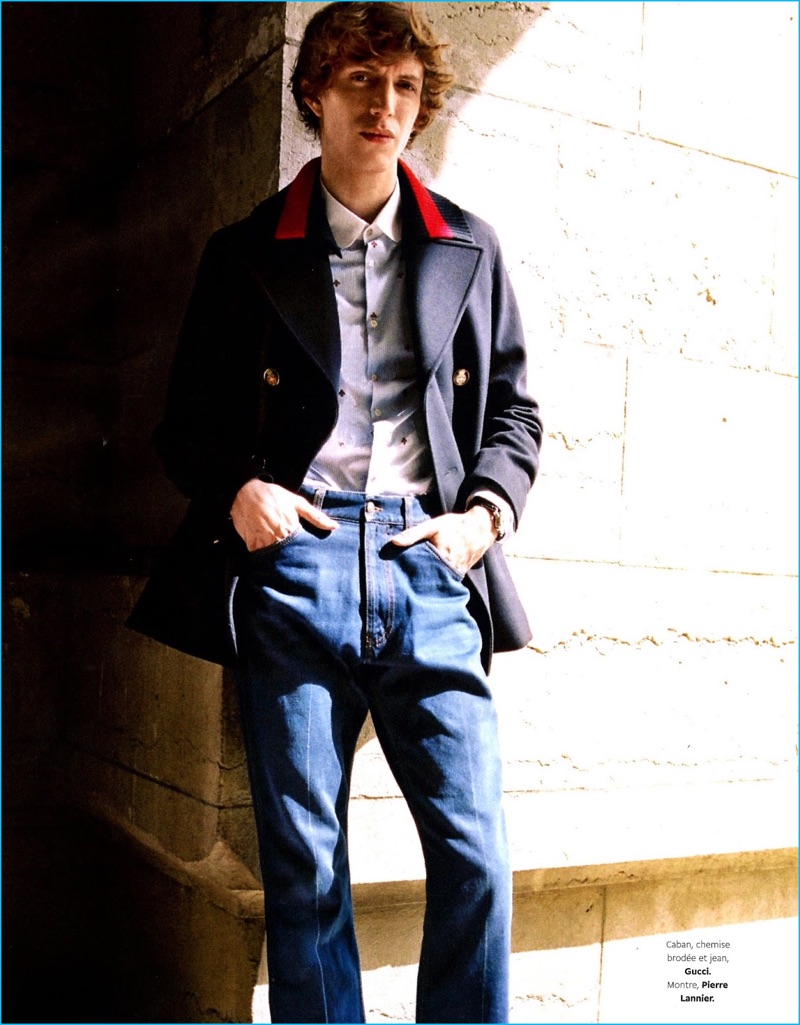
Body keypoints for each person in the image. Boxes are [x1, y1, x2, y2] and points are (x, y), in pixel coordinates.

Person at [129, 3, 542, 1022]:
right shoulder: (244, 254)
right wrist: (242, 490)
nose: (384, 105)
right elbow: (182, 423)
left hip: (426, 559)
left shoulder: (467, 249)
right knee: (305, 865)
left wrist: (480, 519)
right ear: (313, 92)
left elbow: (516, 413)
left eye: (403, 87)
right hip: (299, 560)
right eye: (360, 81)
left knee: (476, 854)